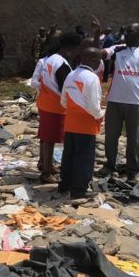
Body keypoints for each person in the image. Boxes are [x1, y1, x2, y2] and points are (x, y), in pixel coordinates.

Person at [94, 21, 139, 182]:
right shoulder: (118, 48)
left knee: (135, 138)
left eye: (130, 31)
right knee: (111, 136)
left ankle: (133, 169)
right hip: (115, 100)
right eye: (126, 31)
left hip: (137, 102)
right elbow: (97, 54)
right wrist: (97, 34)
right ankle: (110, 165)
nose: (126, 34)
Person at [36, 32, 82, 183]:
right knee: (50, 139)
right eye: (77, 50)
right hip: (55, 105)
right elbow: (65, 87)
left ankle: (44, 163)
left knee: (45, 137)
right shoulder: (62, 64)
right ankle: (46, 172)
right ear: (70, 49)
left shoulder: (51, 58)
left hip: (45, 102)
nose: (77, 54)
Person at [59, 46, 103, 199]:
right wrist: (100, 115)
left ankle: (65, 184)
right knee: (84, 158)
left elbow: (63, 100)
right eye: (99, 60)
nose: (100, 63)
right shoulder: (92, 78)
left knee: (69, 154)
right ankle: (79, 189)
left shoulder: (71, 75)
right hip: (86, 124)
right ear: (92, 60)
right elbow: (93, 105)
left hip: (70, 122)